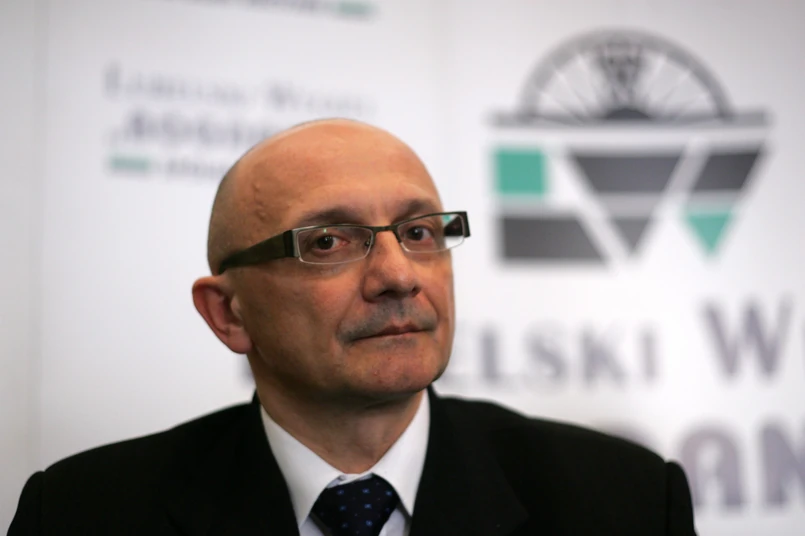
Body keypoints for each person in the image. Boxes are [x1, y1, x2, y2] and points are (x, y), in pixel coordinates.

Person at [9, 119, 697, 535]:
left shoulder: (625, 503)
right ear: (228, 312)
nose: (398, 276)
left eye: (419, 232)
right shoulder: (80, 517)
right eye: (329, 242)